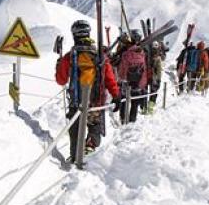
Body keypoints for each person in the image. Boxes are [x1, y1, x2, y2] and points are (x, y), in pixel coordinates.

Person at [55, 20, 120, 161]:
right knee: (94, 127)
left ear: (74, 35)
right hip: (96, 102)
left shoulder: (69, 56)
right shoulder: (100, 57)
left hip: (76, 102)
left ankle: (74, 157)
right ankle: (90, 148)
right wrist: (116, 95)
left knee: (75, 131)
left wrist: (59, 65)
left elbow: (61, 80)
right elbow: (109, 79)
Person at [117, 30, 147, 123]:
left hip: (126, 81)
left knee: (124, 100)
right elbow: (144, 69)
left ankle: (123, 119)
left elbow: (122, 68)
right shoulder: (142, 54)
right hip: (137, 82)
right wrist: (142, 83)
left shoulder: (126, 54)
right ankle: (132, 120)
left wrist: (120, 79)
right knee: (135, 102)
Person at [146, 41, 163, 111]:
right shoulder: (158, 58)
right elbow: (159, 70)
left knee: (147, 92)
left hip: (147, 76)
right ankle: (150, 108)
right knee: (153, 92)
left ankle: (144, 106)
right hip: (155, 78)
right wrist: (159, 79)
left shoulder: (148, 55)